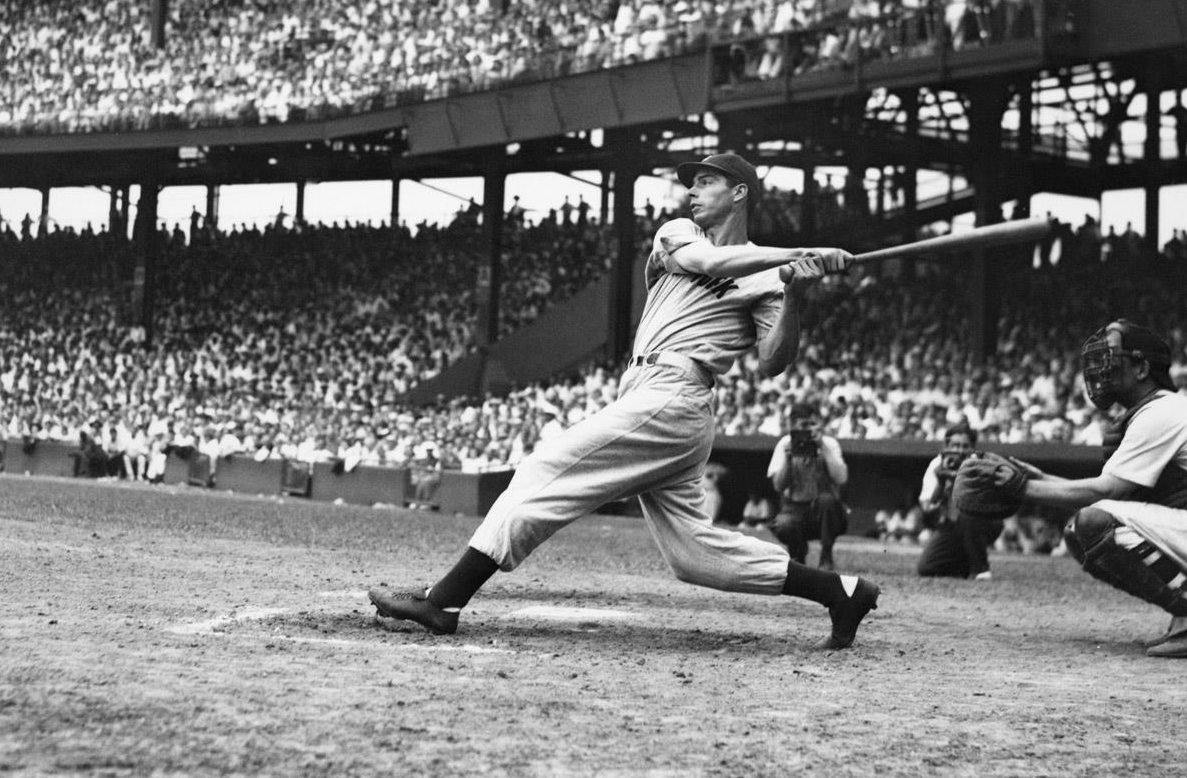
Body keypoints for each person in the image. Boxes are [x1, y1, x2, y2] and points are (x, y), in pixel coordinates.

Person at [367, 152, 882, 649]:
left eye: (706, 182)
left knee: (543, 468)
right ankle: (841, 593)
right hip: (648, 392)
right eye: (692, 182)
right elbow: (709, 261)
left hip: (678, 394)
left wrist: (793, 291)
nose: (692, 190)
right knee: (693, 555)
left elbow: (772, 360)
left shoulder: (770, 277)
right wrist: (796, 254)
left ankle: (446, 601)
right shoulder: (680, 233)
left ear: (739, 192)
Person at [986, 319, 1187, 658]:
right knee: (1079, 531)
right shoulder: (1158, 409)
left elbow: (1102, 495)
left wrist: (1024, 489)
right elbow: (1105, 493)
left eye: (1111, 359)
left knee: (1094, 523)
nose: (1099, 369)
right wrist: (1037, 478)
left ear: (1141, 368)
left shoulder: (1161, 412)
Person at [767, 401, 850, 569]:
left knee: (827, 500)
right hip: (794, 509)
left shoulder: (829, 444)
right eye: (803, 425)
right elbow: (778, 486)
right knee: (783, 524)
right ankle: (797, 553)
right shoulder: (784, 444)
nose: (808, 430)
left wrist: (823, 448)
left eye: (812, 424)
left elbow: (841, 478)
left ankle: (826, 555)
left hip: (823, 512)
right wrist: (789, 459)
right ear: (793, 425)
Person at [915, 425, 1001, 580]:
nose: (959, 450)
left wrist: (958, 479)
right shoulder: (937, 464)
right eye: (955, 445)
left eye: (965, 446)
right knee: (927, 567)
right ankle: (965, 565)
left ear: (973, 448)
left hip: (985, 523)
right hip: (951, 524)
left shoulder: (981, 463)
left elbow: (985, 503)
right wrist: (941, 483)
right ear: (946, 447)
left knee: (968, 512)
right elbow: (927, 508)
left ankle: (981, 569)